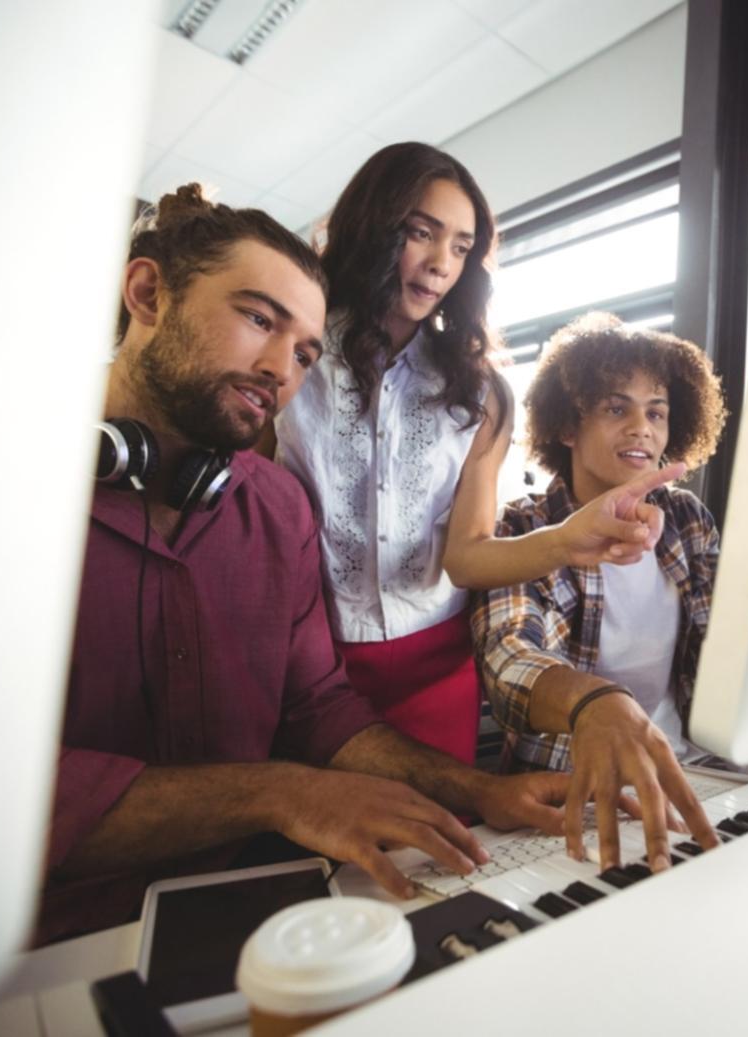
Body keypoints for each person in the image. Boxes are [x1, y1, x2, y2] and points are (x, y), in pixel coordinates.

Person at [44, 185, 568, 945]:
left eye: (304, 353)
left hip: (258, 907)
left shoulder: (279, 508)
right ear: (148, 293)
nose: (278, 369)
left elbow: (318, 708)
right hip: (41, 938)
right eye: (258, 318)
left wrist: (483, 790)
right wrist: (280, 791)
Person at [270, 143, 681, 767]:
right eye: (421, 233)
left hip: (434, 674)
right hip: (307, 669)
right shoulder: (290, 354)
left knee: (438, 853)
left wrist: (570, 538)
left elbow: (466, 557)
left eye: (462, 247)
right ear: (373, 226)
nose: (440, 264)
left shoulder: (479, 392)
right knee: (323, 851)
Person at [472, 314, 748, 876]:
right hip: (576, 796)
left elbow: (730, 638)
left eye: (656, 411)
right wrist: (595, 704)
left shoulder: (685, 518)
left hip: (702, 773)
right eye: (617, 408)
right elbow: (509, 661)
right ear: (567, 425)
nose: (642, 428)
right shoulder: (523, 529)